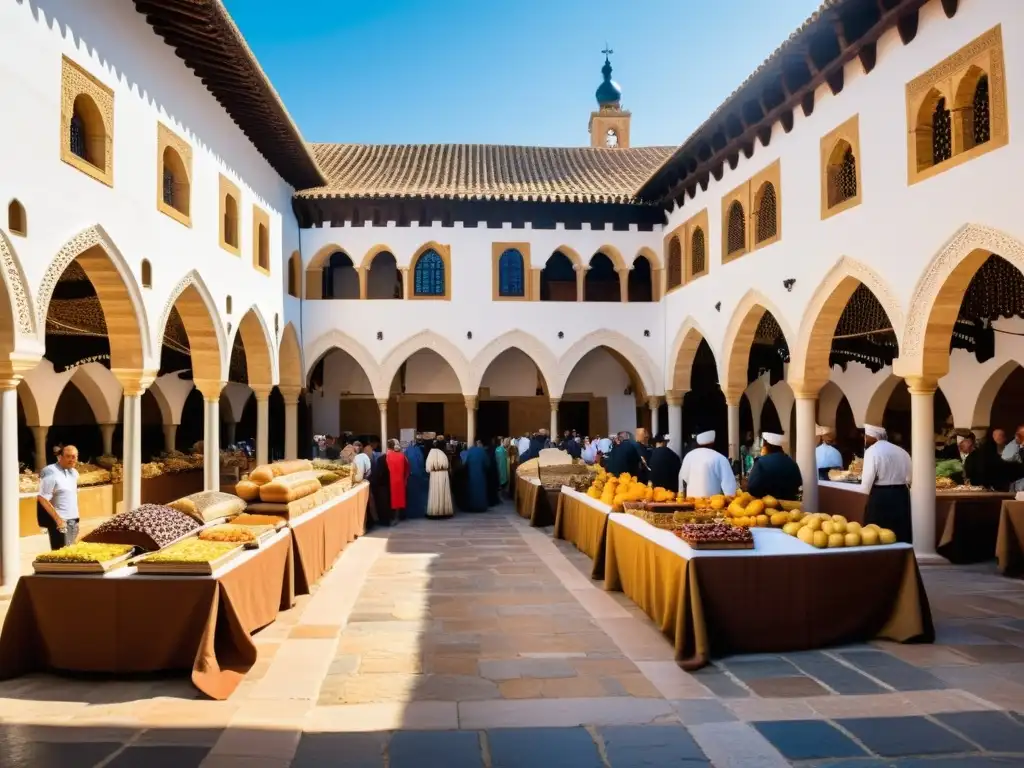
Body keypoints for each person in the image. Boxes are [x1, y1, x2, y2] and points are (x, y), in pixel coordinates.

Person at [860, 424, 913, 543]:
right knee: (901, 532)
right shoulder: (902, 451)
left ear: (873, 437)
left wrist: (864, 497)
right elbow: (910, 478)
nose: (865, 439)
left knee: (878, 534)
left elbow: (867, 482)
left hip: (881, 496)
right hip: (902, 494)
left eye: (866, 436)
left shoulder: (872, 451)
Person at [37, 444, 80, 550]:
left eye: (74, 456)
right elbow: (42, 498)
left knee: (70, 556)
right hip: (60, 522)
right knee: (61, 558)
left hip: (74, 520)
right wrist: (58, 520)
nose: (71, 459)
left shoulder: (74, 473)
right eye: (68, 456)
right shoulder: (50, 472)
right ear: (60, 457)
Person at [678, 431, 737, 498]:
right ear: (712, 443)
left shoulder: (688, 456)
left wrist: (681, 499)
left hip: (690, 503)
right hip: (712, 505)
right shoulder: (720, 457)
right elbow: (730, 487)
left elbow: (682, 480)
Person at [747, 432, 803, 500]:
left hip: (768, 507)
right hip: (791, 507)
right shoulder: (792, 463)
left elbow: (752, 488)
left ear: (767, 445)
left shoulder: (761, 463)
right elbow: (798, 484)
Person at [426, 444, 454, 518]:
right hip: (444, 475)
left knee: (435, 492)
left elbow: (428, 469)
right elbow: (447, 465)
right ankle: (445, 511)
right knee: (443, 492)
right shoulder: (443, 454)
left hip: (434, 476)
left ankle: (434, 511)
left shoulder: (431, 454)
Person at [385, 439, 410, 522]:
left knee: (392, 499)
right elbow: (407, 468)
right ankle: (400, 516)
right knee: (400, 498)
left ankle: (393, 517)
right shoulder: (402, 456)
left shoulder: (387, 455)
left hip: (390, 480)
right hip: (400, 480)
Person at [403, 438, 429, 519]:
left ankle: (411, 513)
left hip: (411, 476)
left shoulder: (408, 451)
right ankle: (420, 512)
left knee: (411, 496)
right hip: (419, 476)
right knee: (420, 496)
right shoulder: (419, 451)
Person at [463, 439, 489, 512]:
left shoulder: (470, 451)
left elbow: (465, 463)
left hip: (471, 475)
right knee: (480, 491)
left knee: (471, 490)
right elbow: (487, 464)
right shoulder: (482, 451)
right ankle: (480, 506)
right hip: (480, 475)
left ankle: (472, 506)